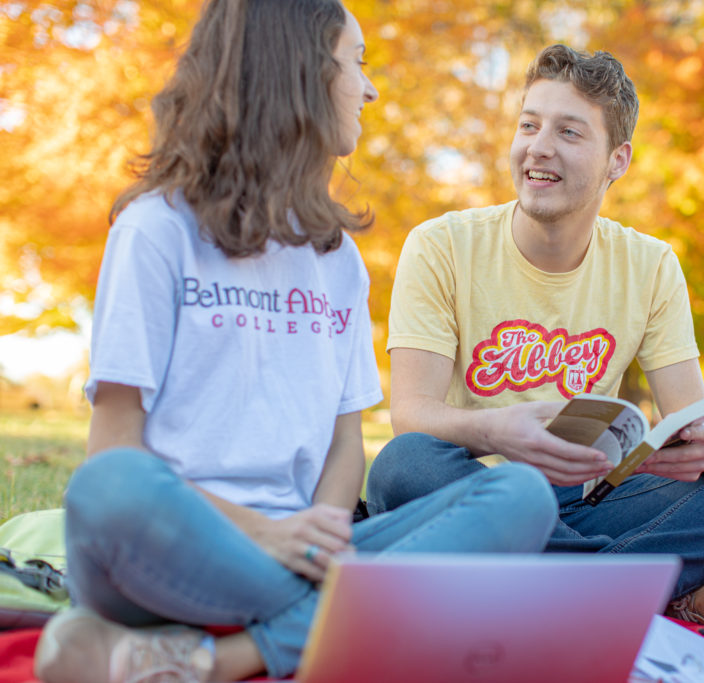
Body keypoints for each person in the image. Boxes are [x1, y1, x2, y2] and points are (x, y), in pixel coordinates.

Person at [32, 2, 559, 682]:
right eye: (356, 63)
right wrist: (264, 533)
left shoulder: (335, 259)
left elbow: (345, 445)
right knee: (108, 488)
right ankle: (369, 615)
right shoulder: (154, 229)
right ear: (301, 74)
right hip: (176, 544)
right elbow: (113, 450)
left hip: (305, 549)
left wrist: (322, 532)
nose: (369, 89)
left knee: (521, 496)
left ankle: (224, 657)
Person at [366, 43, 704, 625]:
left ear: (617, 160)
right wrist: (498, 431)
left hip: (593, 503)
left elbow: (698, 416)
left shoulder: (651, 263)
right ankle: (632, 591)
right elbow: (411, 413)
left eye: (569, 132)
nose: (539, 147)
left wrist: (699, 439)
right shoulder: (441, 246)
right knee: (403, 466)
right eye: (529, 125)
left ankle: (549, 591)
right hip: (474, 490)